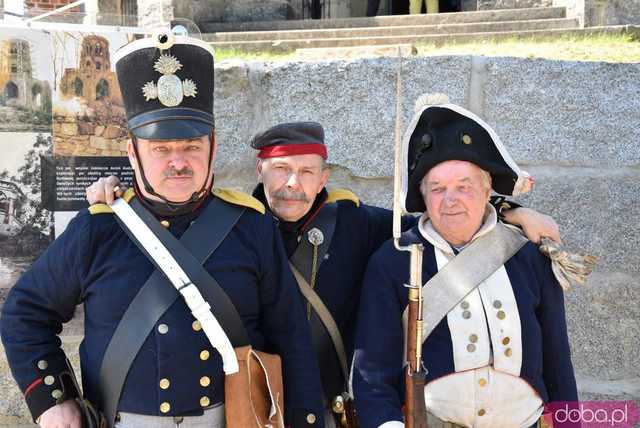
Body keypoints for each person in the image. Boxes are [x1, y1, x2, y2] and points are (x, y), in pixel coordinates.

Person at [87, 121, 561, 427]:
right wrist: (120, 192)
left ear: (324, 174)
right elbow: (166, 221)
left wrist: (512, 213)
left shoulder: (358, 223)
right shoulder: (228, 224)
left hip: (332, 409)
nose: (293, 184)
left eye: (307, 171)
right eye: (280, 170)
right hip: (257, 408)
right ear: (260, 169)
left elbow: (442, 212)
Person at [0, 33, 324, 428]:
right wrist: (54, 400)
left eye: (190, 146)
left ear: (213, 147)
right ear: (133, 152)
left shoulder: (250, 227)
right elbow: (23, 313)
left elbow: (291, 336)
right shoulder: (98, 229)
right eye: (160, 149)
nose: (178, 162)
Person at [352, 102, 578, 428]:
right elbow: (372, 375)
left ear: (488, 191)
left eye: (464, 186)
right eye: (438, 188)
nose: (450, 199)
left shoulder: (527, 256)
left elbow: (558, 363)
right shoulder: (394, 261)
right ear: (423, 196)